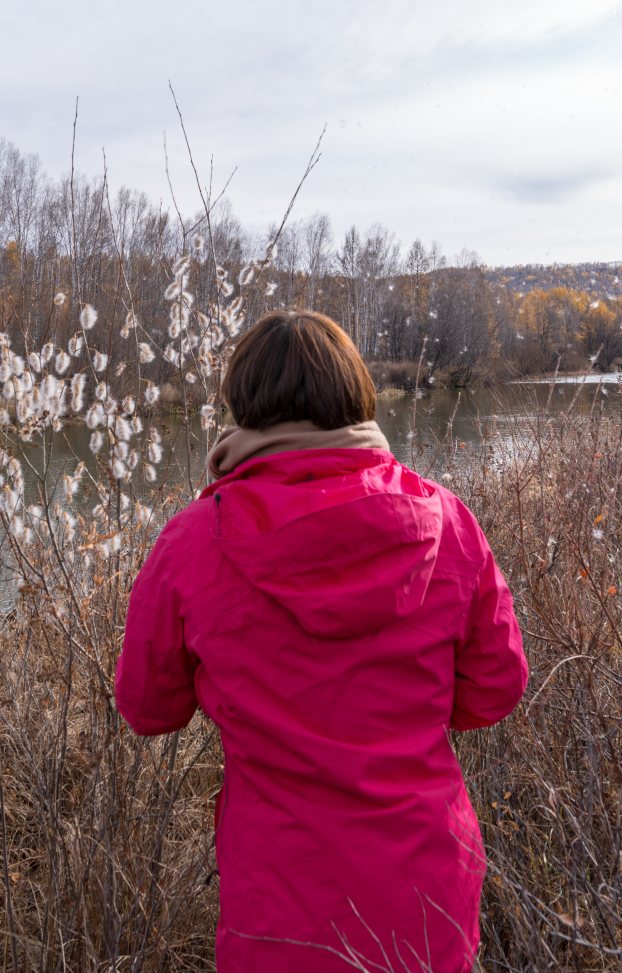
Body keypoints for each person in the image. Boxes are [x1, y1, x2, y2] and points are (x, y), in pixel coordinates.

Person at [114, 310, 529, 972]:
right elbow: (494, 693)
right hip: (428, 896)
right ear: (357, 396)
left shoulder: (194, 540)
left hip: (281, 909)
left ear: (242, 407)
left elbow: (146, 708)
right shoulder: (446, 522)